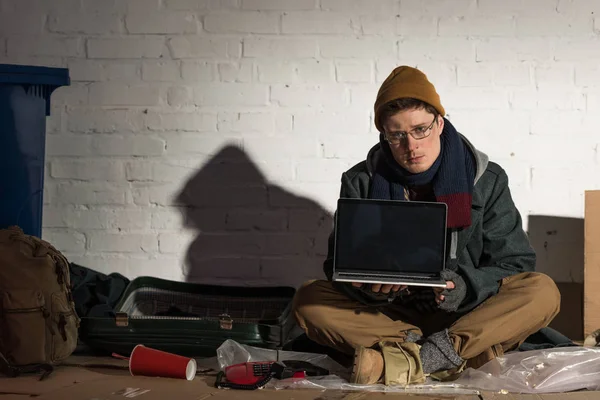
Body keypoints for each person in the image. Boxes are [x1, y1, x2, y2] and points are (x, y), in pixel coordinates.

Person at [291, 66, 561, 386]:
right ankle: (454, 355)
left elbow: (516, 264)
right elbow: (337, 265)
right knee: (308, 298)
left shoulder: (487, 180)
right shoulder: (360, 181)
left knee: (542, 290)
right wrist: (371, 288)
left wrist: (463, 287)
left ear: (439, 123)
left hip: (467, 313)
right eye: (397, 135)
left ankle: (408, 358)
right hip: (393, 317)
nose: (411, 145)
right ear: (384, 135)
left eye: (420, 129)